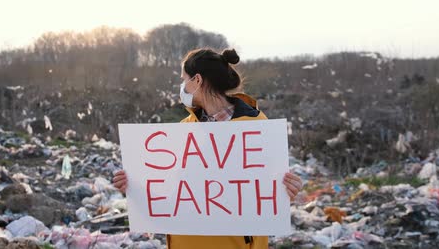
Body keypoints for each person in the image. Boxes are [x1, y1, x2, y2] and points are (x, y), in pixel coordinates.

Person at [113, 48, 303, 249]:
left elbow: (266, 191)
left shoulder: (256, 127)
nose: (182, 86)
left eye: (183, 79)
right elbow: (174, 192)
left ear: (197, 80)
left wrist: (286, 192)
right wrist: (134, 188)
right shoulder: (184, 129)